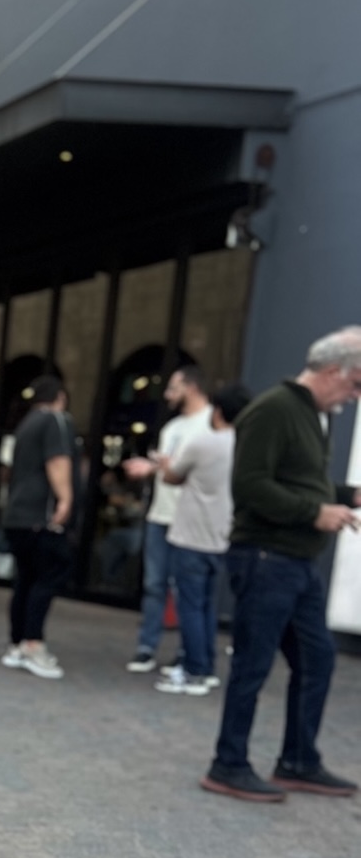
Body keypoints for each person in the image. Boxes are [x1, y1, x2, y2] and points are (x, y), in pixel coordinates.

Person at [201, 327, 361, 802]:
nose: (354, 397)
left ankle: (298, 761)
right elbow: (250, 486)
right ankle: (227, 764)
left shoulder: (309, 415)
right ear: (333, 371)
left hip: (294, 563)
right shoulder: (273, 410)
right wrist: (315, 512)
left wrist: (344, 495)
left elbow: (297, 482)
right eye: (354, 385)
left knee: (317, 659)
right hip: (267, 559)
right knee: (253, 664)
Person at [154, 382, 250, 697]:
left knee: (191, 605)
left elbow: (172, 477)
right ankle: (205, 665)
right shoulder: (245, 444)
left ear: (218, 411)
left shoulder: (203, 442)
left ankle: (195, 668)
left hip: (191, 533)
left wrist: (165, 465)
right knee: (207, 604)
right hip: (222, 535)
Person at [123, 364, 211, 672]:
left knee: (189, 589)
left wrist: (159, 466)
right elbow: (168, 467)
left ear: (190, 387)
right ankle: (147, 647)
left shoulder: (211, 423)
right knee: (154, 583)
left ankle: (190, 653)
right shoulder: (172, 428)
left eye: (174, 387)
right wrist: (151, 467)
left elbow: (208, 469)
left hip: (190, 518)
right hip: (160, 513)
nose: (168, 394)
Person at [0, 376, 79, 679]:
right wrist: (65, 499)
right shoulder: (55, 420)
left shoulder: (26, 424)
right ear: (60, 396)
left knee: (26, 578)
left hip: (18, 516)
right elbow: (57, 460)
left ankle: (18, 642)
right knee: (50, 573)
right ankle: (33, 643)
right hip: (40, 515)